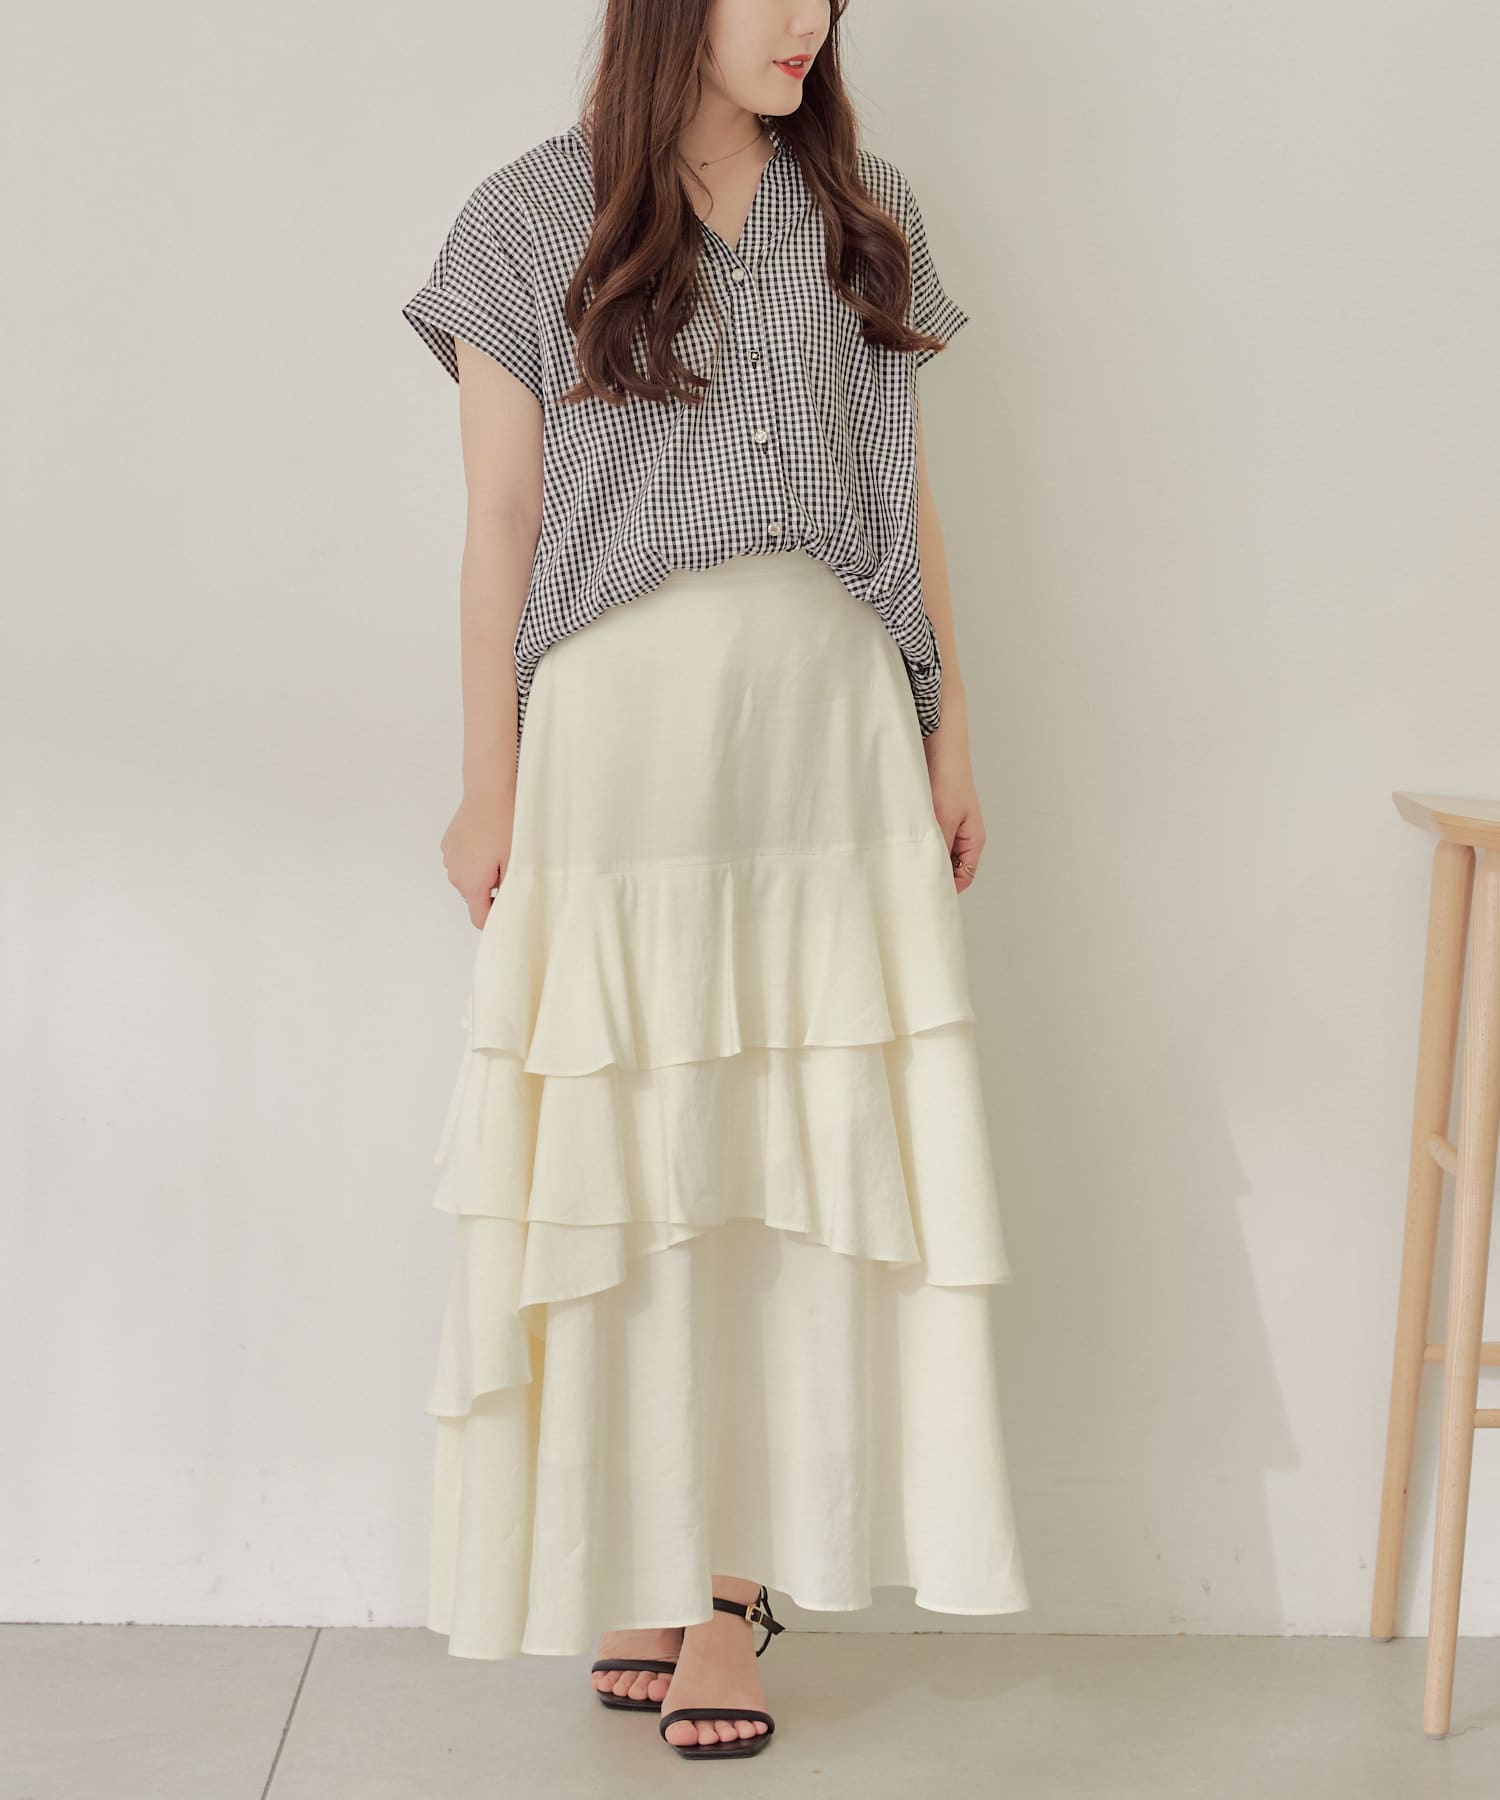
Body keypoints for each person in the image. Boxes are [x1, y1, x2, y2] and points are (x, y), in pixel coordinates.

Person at [400, 0, 1030, 1763]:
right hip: (620, 742)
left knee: (786, 1161)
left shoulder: (865, 207)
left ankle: (735, 1592)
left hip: (824, 727)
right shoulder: (528, 216)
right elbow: (501, 525)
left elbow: (907, 501)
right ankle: (647, 1560)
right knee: (637, 1155)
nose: (811, 20)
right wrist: (487, 778)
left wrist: (950, 733)